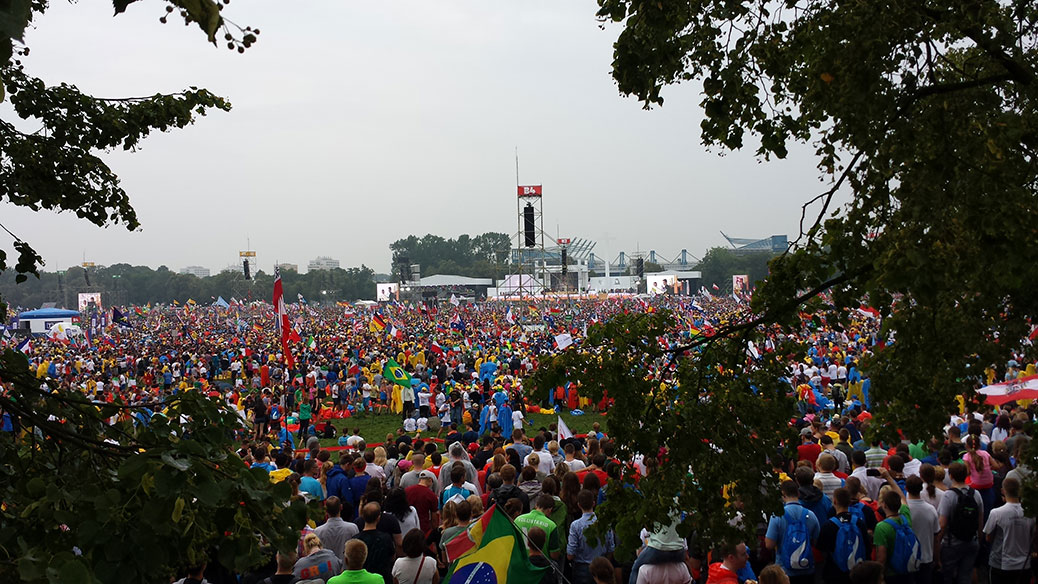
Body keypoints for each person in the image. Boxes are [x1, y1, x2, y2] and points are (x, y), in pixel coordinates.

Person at [765, 480, 820, 584]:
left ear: (783, 494)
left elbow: (769, 544)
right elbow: (818, 542)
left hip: (784, 571)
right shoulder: (811, 515)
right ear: (798, 493)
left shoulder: (777, 515)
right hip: (806, 568)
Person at [936, 462, 983, 584]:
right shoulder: (976, 494)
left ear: (950, 476)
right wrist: (978, 540)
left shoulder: (948, 496)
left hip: (952, 543)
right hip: (971, 541)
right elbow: (980, 520)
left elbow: (942, 524)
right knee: (965, 576)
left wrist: (937, 545)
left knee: (947, 576)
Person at [983, 477, 1034, 583]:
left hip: (1001, 563)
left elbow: (988, 537)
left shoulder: (996, 513)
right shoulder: (1030, 514)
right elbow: (1032, 535)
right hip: (1024, 564)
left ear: (1003, 491)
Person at [817, 487, 866, 584]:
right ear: (849, 502)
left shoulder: (828, 525)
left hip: (834, 572)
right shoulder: (859, 523)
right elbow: (866, 545)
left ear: (834, 501)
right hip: (856, 572)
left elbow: (822, 548)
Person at [567, 489, 614, 584]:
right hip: (602, 566)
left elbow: (570, 554)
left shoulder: (575, 526)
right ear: (594, 503)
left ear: (579, 505)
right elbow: (611, 548)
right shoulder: (604, 523)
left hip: (582, 568)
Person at [873, 488, 912, 584]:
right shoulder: (906, 519)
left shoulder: (881, 527)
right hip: (908, 568)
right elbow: (902, 497)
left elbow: (881, 558)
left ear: (884, 505)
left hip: (891, 573)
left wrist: (879, 577)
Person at [904, 475, 939, 584]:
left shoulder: (903, 510)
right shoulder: (931, 509)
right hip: (926, 558)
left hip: (907, 558)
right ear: (921, 488)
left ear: (906, 489)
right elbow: (936, 537)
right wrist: (937, 559)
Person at [352, 503, 395, 584]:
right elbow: (392, 557)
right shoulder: (386, 538)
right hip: (383, 579)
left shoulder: (356, 540)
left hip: (362, 580)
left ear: (363, 517)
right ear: (378, 518)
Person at [515, 495, 564, 562]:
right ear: (550, 510)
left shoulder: (518, 519)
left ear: (536, 505)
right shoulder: (551, 525)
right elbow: (554, 555)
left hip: (521, 563)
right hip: (542, 567)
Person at [315, 496, 360, 564]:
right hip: (347, 569)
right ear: (341, 507)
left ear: (326, 510)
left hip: (329, 571)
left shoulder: (318, 532)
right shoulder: (352, 528)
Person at [405, 470, 439, 534]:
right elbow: (434, 519)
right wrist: (435, 532)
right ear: (430, 480)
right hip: (423, 528)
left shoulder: (407, 490)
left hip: (408, 527)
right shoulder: (431, 495)